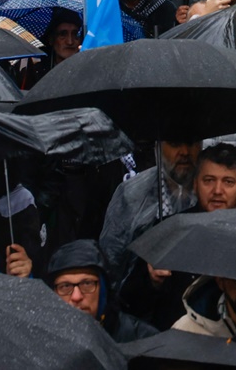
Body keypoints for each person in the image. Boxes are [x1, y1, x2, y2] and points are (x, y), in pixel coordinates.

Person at [99, 137, 203, 284]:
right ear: (158, 147)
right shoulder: (132, 194)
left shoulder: (214, 190)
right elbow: (112, 265)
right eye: (175, 143)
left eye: (191, 143)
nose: (185, 152)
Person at [47, 240, 157, 342]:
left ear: (104, 290)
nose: (76, 296)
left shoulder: (142, 339)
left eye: (87, 283)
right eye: (65, 286)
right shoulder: (43, 341)